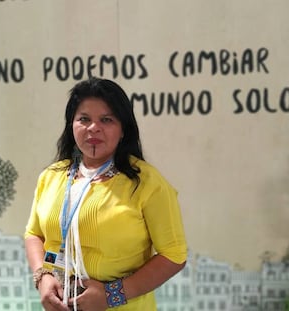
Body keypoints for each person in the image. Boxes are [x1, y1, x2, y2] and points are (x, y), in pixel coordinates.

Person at [24, 77, 187, 311]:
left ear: (123, 130)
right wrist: (43, 277)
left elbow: (174, 255)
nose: (93, 128)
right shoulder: (51, 177)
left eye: (106, 119)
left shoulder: (147, 183)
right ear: (72, 125)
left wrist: (112, 295)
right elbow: (33, 234)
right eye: (84, 119)